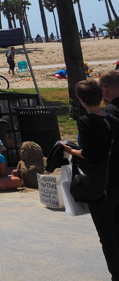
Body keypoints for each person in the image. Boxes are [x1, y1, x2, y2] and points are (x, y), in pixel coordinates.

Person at [60, 79, 118, 280]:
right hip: (116, 182)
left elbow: (90, 153)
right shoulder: (113, 120)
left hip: (99, 186)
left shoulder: (85, 121)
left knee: (108, 237)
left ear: (79, 99)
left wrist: (71, 150)